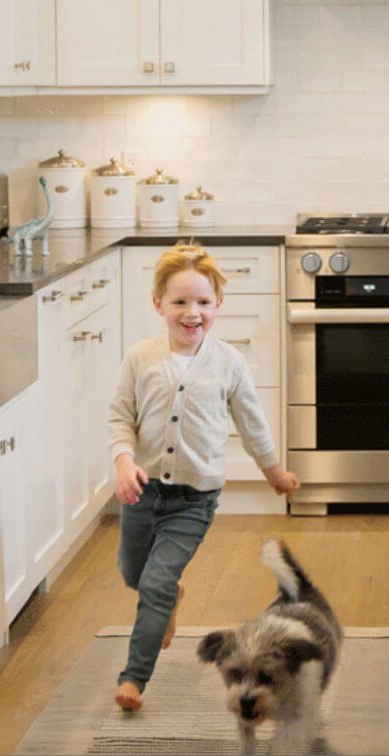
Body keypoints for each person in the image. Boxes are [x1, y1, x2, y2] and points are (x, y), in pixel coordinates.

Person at [107, 242, 300, 712]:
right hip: (141, 492)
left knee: (153, 582)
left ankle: (134, 678)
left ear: (218, 305)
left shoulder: (228, 362)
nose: (192, 313)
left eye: (203, 302)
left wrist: (273, 472)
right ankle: (170, 598)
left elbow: (252, 422)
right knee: (135, 574)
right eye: (179, 302)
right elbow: (120, 418)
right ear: (158, 304)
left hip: (194, 500)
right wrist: (123, 461)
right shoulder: (139, 357)